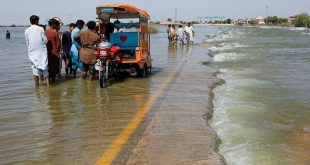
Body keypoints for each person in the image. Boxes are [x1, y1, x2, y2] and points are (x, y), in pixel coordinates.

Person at [25, 15, 50, 87]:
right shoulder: (41, 29)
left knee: (35, 71)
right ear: (36, 21)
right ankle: (48, 86)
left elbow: (27, 43)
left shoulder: (26, 30)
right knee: (45, 69)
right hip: (42, 52)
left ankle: (37, 88)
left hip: (32, 52)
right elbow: (45, 40)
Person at [46, 18, 61, 82]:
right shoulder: (55, 32)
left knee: (48, 68)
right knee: (54, 69)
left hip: (47, 53)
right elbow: (59, 44)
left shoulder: (45, 32)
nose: (58, 25)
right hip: (55, 53)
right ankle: (53, 82)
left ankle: (48, 82)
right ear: (53, 24)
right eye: (56, 24)